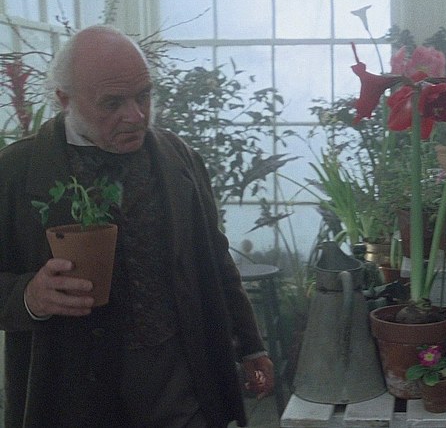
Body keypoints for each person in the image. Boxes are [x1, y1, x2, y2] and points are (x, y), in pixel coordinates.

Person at [0, 25, 274, 427]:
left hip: (181, 385)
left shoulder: (178, 157)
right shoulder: (15, 173)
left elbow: (214, 257)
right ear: (64, 100)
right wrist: (29, 296)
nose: (136, 116)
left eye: (143, 95)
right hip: (72, 397)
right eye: (112, 103)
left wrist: (250, 345)